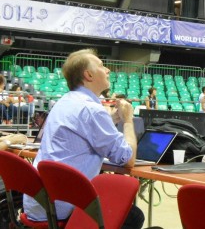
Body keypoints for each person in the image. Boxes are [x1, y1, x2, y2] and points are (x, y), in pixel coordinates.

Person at [23, 49, 144, 228]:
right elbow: (128, 159)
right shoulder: (92, 110)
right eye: (102, 66)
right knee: (134, 215)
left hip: (40, 204)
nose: (108, 70)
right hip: (64, 206)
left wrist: (110, 120)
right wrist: (127, 120)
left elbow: (83, 131)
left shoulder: (64, 102)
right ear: (88, 75)